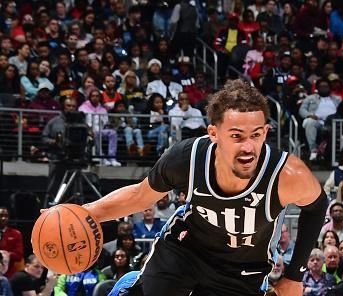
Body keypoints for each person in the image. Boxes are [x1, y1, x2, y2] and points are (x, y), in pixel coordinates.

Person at [81, 79, 328, 295]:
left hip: (242, 270)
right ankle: (134, 286)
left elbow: (317, 207)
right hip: (185, 249)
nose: (248, 147)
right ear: (213, 133)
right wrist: (85, 212)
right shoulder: (187, 158)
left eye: (256, 135)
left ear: (266, 131)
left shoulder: (287, 174)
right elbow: (139, 196)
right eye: (236, 136)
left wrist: (295, 276)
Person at [42, 97, 79, 205]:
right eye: (68, 106)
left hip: (73, 161)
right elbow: (44, 138)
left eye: (73, 106)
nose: (71, 108)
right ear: (63, 106)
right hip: (56, 159)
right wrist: (54, 142)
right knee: (53, 187)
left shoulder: (80, 122)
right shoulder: (54, 122)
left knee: (72, 190)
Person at [0, 207, 23, 279]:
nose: (4, 218)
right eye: (1, 215)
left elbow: (19, 255)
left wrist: (6, 254)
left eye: (6, 216)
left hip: (9, 274)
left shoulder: (16, 234)